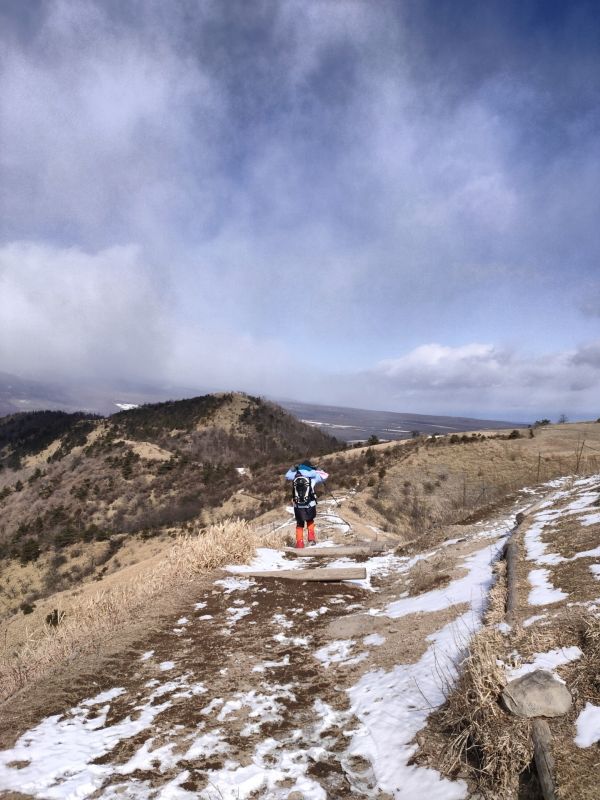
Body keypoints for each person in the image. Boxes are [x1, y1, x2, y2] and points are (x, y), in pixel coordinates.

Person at [285, 461, 329, 548]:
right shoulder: (314, 475)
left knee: (299, 523)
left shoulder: (295, 475)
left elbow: (287, 475)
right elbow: (325, 476)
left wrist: (294, 467)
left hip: (298, 505)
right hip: (310, 503)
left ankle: (300, 543)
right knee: (310, 520)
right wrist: (317, 469)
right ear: (310, 467)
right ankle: (311, 540)